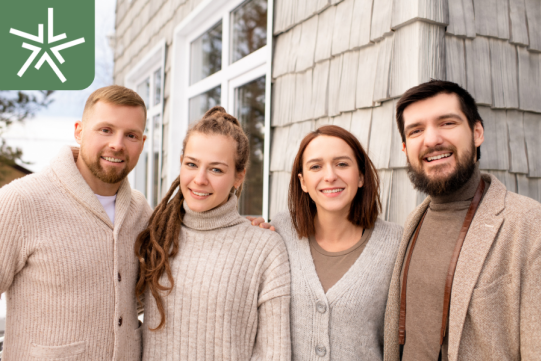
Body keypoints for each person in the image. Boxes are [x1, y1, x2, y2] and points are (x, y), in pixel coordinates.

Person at [384, 80, 541, 360]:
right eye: (417, 130)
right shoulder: (412, 223)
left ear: (477, 132)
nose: (432, 139)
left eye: (447, 123)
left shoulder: (528, 223)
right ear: (406, 149)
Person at [0, 85, 152, 360]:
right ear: (79, 131)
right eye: (105, 129)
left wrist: (239, 233)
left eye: (130, 135)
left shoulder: (142, 212)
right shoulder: (20, 201)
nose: (117, 144)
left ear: (142, 142)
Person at [134, 106, 291, 360]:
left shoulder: (265, 248)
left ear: (238, 177)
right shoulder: (157, 235)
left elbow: (274, 352)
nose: (199, 179)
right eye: (192, 164)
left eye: (216, 169)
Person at [251, 125, 403, 360]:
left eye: (342, 164)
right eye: (316, 166)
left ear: (361, 175)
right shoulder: (278, 232)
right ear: (303, 182)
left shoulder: (396, 244)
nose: (330, 176)